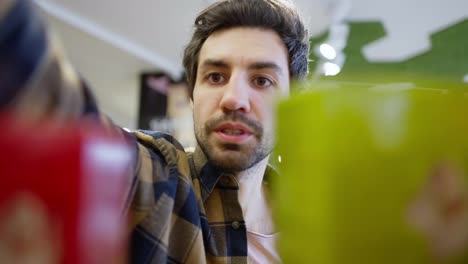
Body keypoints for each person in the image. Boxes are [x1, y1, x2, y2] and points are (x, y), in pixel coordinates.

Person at [0, 0, 310, 263]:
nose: (233, 98)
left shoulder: (320, 226)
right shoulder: (160, 180)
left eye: (261, 81)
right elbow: (64, 110)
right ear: (192, 94)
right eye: (215, 76)